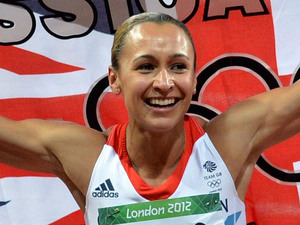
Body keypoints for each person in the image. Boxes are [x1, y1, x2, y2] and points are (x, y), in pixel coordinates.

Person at [0, 12, 299, 225]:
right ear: (115, 79)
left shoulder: (228, 143)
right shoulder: (87, 158)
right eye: (146, 67)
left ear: (194, 79)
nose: (164, 82)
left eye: (179, 66)